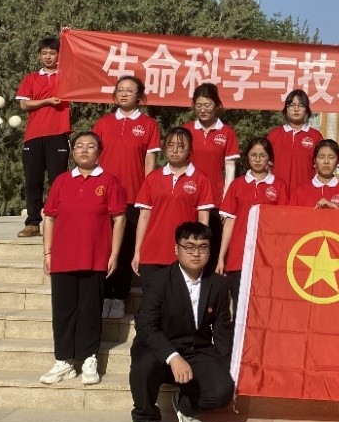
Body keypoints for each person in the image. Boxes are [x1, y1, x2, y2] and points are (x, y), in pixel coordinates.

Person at [128, 221, 234, 422]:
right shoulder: (158, 281)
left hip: (197, 350)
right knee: (143, 365)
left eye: (203, 247)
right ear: (177, 249)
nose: (196, 253)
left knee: (222, 392)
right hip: (159, 347)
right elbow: (146, 326)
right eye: (189, 247)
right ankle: (144, 420)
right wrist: (173, 357)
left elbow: (223, 329)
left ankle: (184, 403)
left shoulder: (218, 284)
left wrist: (227, 368)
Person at [39, 131, 126, 387]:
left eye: (90, 146)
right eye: (79, 146)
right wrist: (47, 252)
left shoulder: (109, 181)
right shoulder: (62, 181)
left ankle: (89, 358)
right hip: (63, 257)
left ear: (99, 152)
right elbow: (50, 217)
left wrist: (114, 254)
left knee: (90, 310)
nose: (84, 150)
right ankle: (64, 361)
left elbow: (119, 218)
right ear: (73, 151)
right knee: (63, 310)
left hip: (95, 256)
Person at [93, 76, 161, 319]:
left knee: (124, 248)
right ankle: (103, 295)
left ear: (139, 96)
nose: (123, 94)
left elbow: (150, 163)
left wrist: (148, 194)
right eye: (120, 90)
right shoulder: (103, 123)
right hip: (103, 195)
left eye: (129, 90)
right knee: (103, 246)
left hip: (133, 195)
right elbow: (93, 159)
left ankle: (119, 297)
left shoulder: (149, 125)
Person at [216, 136, 289, 327]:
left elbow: (283, 225)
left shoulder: (279, 185)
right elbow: (229, 222)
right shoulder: (237, 185)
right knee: (239, 309)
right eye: (253, 155)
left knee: (263, 309)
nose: (257, 159)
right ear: (247, 157)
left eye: (262, 155)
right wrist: (221, 257)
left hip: (267, 257)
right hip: (239, 258)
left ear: (269, 158)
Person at [131, 127, 215, 285]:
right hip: (151, 254)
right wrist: (137, 252)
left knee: (180, 299)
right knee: (151, 298)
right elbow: (144, 217)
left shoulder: (201, 179)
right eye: (170, 145)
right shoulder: (152, 178)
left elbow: (203, 220)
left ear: (190, 149)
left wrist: (198, 251)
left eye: (181, 146)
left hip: (185, 254)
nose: (175, 150)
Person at [15, 36, 71, 238]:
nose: (48, 57)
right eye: (44, 53)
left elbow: (80, 63)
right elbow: (23, 104)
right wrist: (46, 101)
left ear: (59, 55)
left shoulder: (66, 78)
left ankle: (58, 222)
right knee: (33, 181)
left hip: (58, 135)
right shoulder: (31, 78)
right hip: (34, 136)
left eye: (52, 53)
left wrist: (67, 36)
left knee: (58, 182)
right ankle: (32, 223)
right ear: (39, 55)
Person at [187, 83, 240, 271]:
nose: (203, 110)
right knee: (188, 244)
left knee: (210, 245)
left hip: (215, 200)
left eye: (207, 105)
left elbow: (230, 168)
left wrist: (227, 200)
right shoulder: (187, 130)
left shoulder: (227, 132)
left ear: (216, 105)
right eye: (199, 105)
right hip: (188, 196)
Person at [266, 89, 323, 189]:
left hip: (306, 192)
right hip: (277, 192)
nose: (296, 109)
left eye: (301, 106)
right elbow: (266, 167)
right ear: (286, 109)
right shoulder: (274, 135)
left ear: (307, 110)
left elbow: (321, 169)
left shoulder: (316, 136)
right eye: (292, 105)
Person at [290, 139, 339, 210]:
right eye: (321, 157)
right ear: (315, 161)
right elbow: (291, 215)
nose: (326, 162)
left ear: (337, 161)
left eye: (331, 157)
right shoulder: (300, 192)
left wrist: (336, 208)